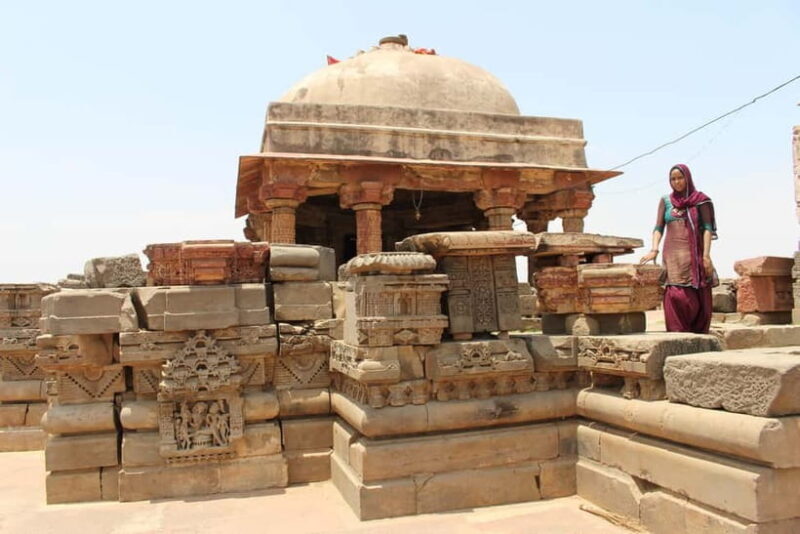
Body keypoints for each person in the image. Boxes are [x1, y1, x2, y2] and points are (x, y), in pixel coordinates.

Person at [639, 163, 717, 333]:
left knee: (695, 298)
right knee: (675, 295)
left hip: (693, 256)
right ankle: (677, 335)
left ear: (687, 178)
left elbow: (707, 229)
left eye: (680, 178)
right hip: (671, 257)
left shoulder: (700, 200)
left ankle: (698, 334)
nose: (677, 182)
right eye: (673, 179)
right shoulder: (666, 201)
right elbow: (658, 227)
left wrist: (706, 256)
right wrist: (654, 249)